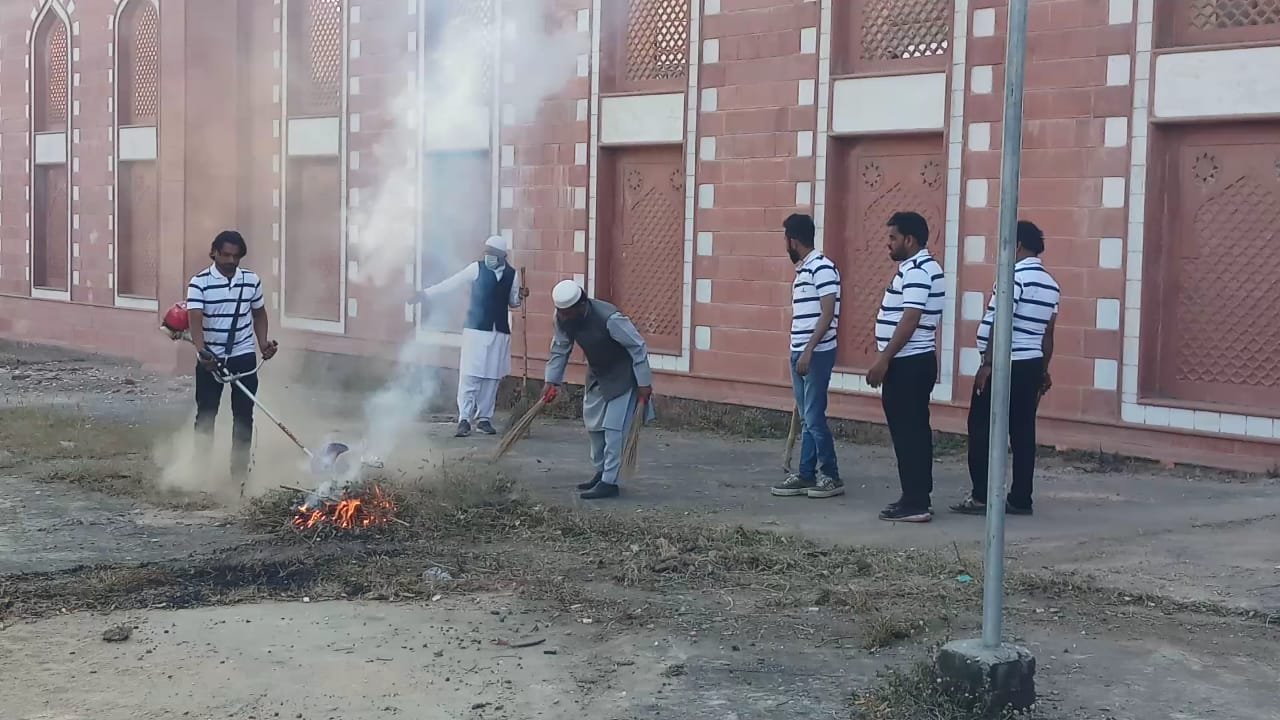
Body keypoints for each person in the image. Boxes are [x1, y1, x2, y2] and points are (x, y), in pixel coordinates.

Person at [952, 220, 1059, 517]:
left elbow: (1002, 321)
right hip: (1031, 363)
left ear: (1019, 246)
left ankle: (982, 497)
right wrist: (1043, 370)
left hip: (1004, 363)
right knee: (1023, 431)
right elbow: (1048, 334)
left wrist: (988, 363)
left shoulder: (1012, 277)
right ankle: (1021, 498)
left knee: (981, 427)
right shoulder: (1051, 284)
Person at [542, 280, 654, 500]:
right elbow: (560, 349)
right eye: (560, 312)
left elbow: (637, 347)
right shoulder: (563, 320)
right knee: (594, 427)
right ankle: (601, 471)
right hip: (597, 374)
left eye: (567, 312)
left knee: (613, 430)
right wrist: (552, 381)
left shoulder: (610, 318)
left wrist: (644, 383)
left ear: (580, 306)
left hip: (623, 375)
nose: (563, 317)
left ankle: (609, 482)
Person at [867, 211, 945, 523]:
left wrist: (883, 359)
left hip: (908, 363)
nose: (888, 244)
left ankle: (915, 502)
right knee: (914, 431)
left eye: (893, 238)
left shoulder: (917, 271)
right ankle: (916, 494)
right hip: (913, 361)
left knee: (908, 432)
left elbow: (910, 318)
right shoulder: (921, 268)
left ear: (909, 240)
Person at [185, 230, 278, 484]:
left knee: (244, 416)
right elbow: (195, 321)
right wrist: (202, 352)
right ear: (213, 252)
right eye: (225, 255)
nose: (230, 261)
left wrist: (263, 344)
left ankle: (238, 475)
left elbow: (259, 314)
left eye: (236, 256)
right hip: (210, 359)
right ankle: (198, 473)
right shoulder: (199, 283)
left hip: (243, 356)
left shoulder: (251, 281)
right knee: (206, 414)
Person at [417, 235, 528, 437]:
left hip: (499, 332)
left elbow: (513, 302)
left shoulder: (512, 274)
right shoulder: (476, 268)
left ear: (503, 256)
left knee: (491, 377)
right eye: (487, 253)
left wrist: (520, 296)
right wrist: (425, 294)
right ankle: (464, 418)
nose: (489, 257)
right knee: (470, 375)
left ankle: (484, 418)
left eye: (494, 255)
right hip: (476, 330)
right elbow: (451, 283)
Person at [772, 213, 844, 499]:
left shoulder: (822, 268)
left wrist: (809, 350)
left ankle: (831, 474)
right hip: (800, 351)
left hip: (814, 354)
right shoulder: (803, 270)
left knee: (813, 418)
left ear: (792, 239)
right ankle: (805, 473)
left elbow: (828, 314)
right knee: (807, 418)